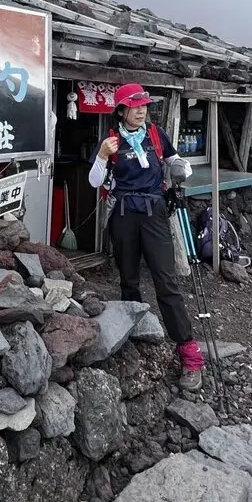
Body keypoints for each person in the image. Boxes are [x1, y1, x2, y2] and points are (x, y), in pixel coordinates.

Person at [88, 82, 205, 391]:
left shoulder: (156, 135)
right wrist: (101, 155)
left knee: (166, 281)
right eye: (134, 105)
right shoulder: (111, 142)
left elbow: (179, 163)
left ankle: (189, 354)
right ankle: (135, 335)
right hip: (124, 214)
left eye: (143, 105)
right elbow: (94, 181)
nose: (141, 110)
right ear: (121, 110)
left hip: (153, 212)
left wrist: (180, 168)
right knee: (128, 280)